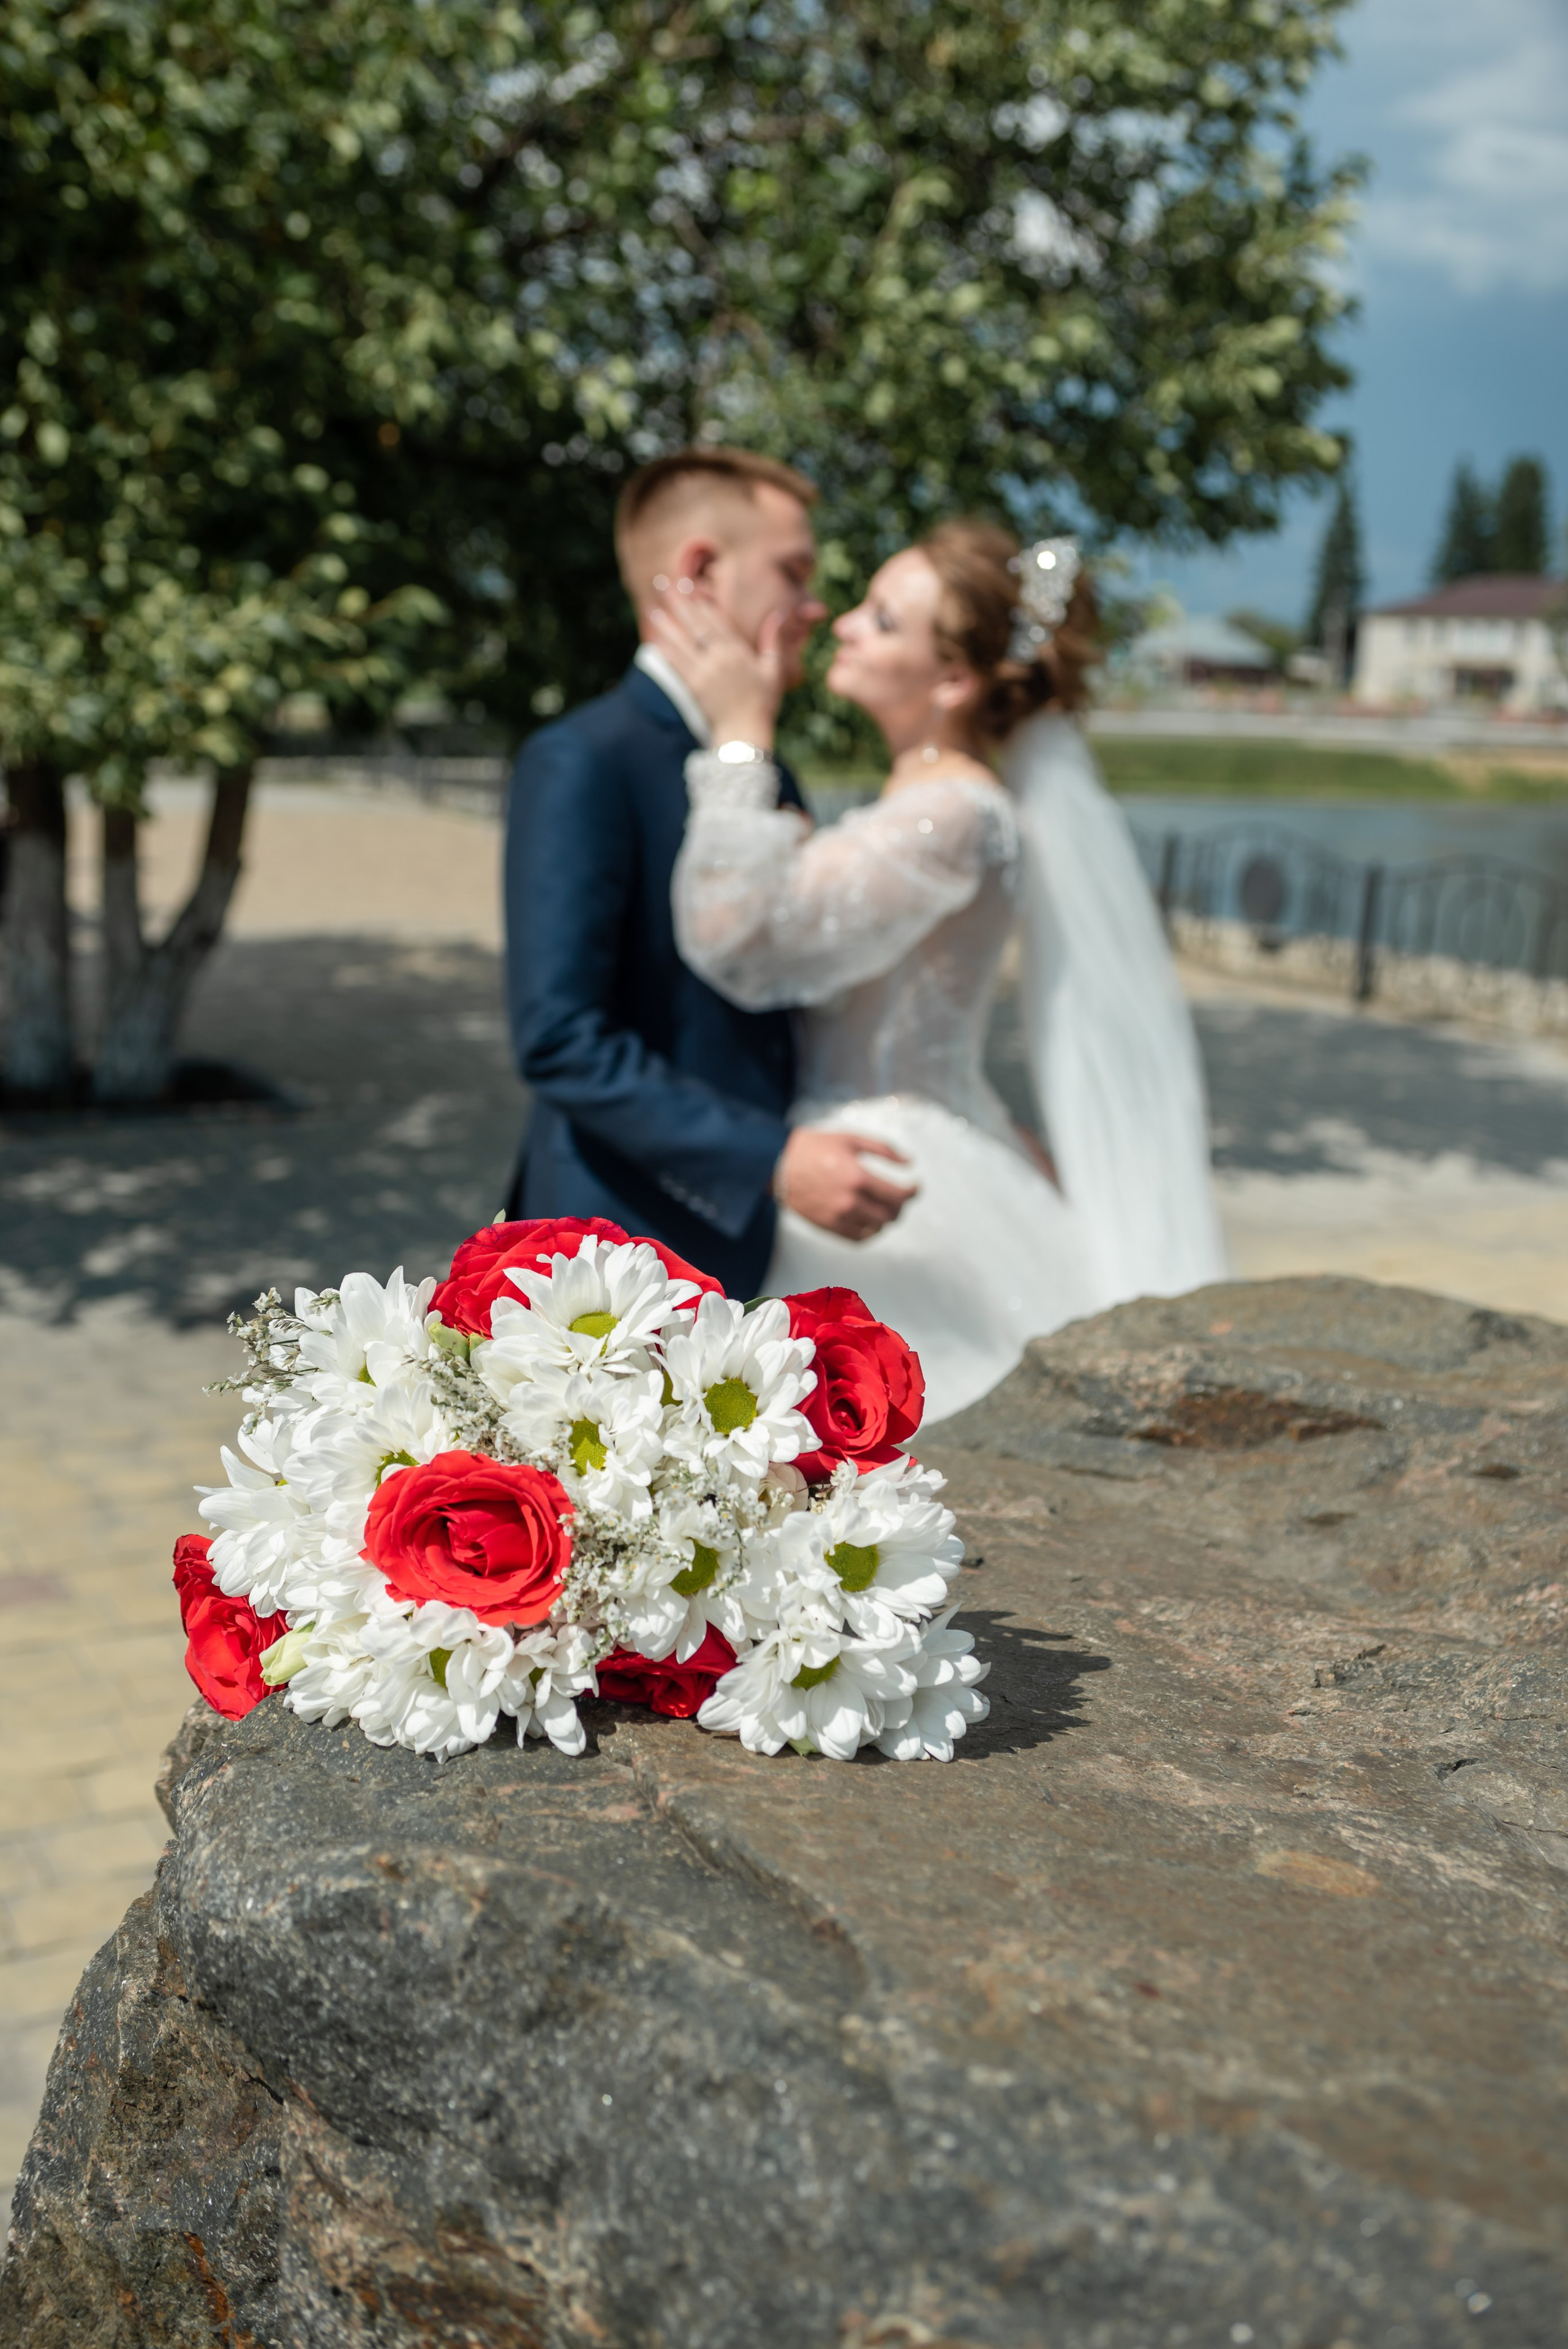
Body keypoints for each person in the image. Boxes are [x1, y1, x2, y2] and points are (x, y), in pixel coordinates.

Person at [663, 518, 1229, 1420]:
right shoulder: (937, 802)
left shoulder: (949, 814)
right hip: (924, 1135)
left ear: (954, 680)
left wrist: (741, 735)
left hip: (883, 1169)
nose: (846, 624)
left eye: (884, 619)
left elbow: (735, 936)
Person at [504, 447, 914, 1297]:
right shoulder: (583, 759)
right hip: (617, 1252)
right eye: (794, 573)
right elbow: (560, 1041)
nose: (815, 607)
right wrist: (770, 1159)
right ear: (699, 573)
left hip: (763, 1241)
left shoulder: (765, 764)